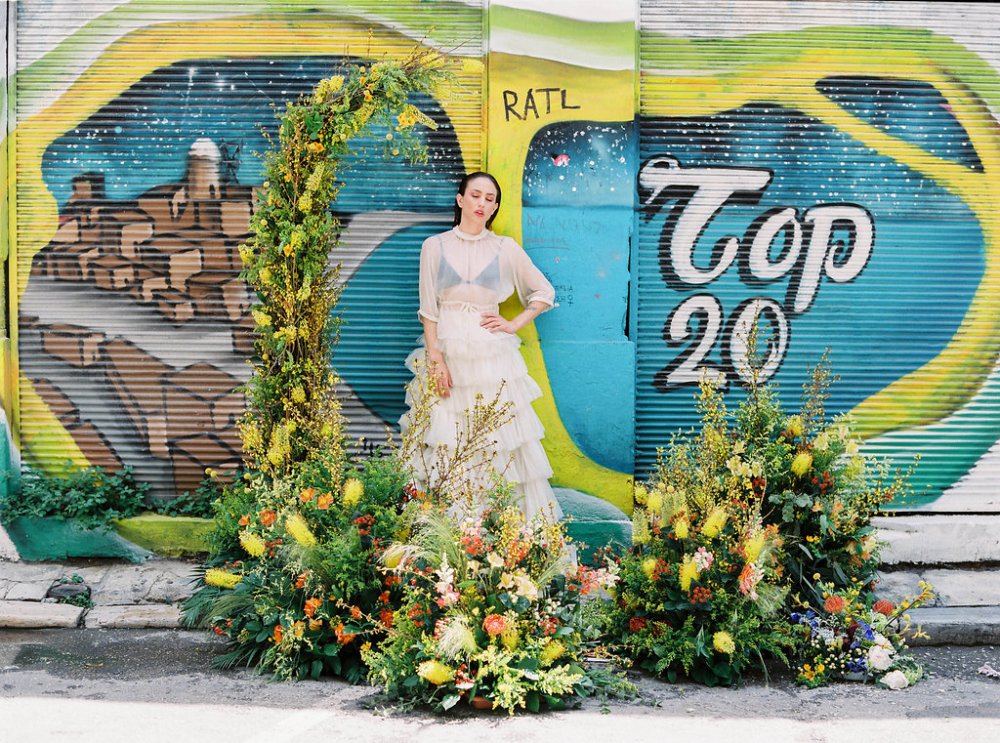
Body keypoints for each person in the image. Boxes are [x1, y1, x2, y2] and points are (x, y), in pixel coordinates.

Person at [399, 171, 561, 520]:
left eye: (490, 199)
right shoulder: (435, 246)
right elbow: (429, 311)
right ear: (460, 200)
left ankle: (497, 528)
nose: (482, 203)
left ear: (495, 207)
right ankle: (447, 529)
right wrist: (436, 361)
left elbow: (544, 293)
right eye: (475, 195)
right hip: (449, 354)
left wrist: (513, 323)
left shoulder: (505, 249)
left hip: (492, 358)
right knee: (446, 437)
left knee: (497, 440)